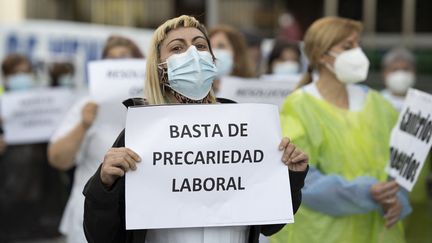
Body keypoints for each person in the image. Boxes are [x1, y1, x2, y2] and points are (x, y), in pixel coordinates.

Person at [82, 15, 309, 243]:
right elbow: (101, 236)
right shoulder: (140, 135)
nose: (192, 54)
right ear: (160, 66)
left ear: (212, 59)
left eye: (200, 46)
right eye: (177, 48)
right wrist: (104, 185)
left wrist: (292, 176)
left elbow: (269, 225)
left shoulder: (245, 128)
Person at [271, 16, 412, 243]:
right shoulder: (300, 106)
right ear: (321, 54)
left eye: (358, 45)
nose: (357, 53)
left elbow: (399, 164)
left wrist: (396, 198)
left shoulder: (379, 104)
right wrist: (364, 193)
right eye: (347, 46)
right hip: (321, 234)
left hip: (377, 232)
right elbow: (301, 180)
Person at [47, 35, 144, 243]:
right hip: (90, 220)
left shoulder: (156, 106)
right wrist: (83, 125)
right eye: (111, 60)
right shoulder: (88, 105)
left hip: (140, 218)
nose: (119, 65)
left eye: (125, 58)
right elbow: (58, 159)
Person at [0, 54, 68, 242]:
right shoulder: (2, 102)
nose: (22, 76)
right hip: (9, 201)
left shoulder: (46, 102)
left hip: (43, 197)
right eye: (16, 73)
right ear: (6, 77)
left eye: (25, 71)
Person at [209, 25, 256, 92]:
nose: (213, 52)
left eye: (221, 46)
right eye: (210, 47)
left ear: (237, 52)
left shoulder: (253, 90)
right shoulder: (199, 94)